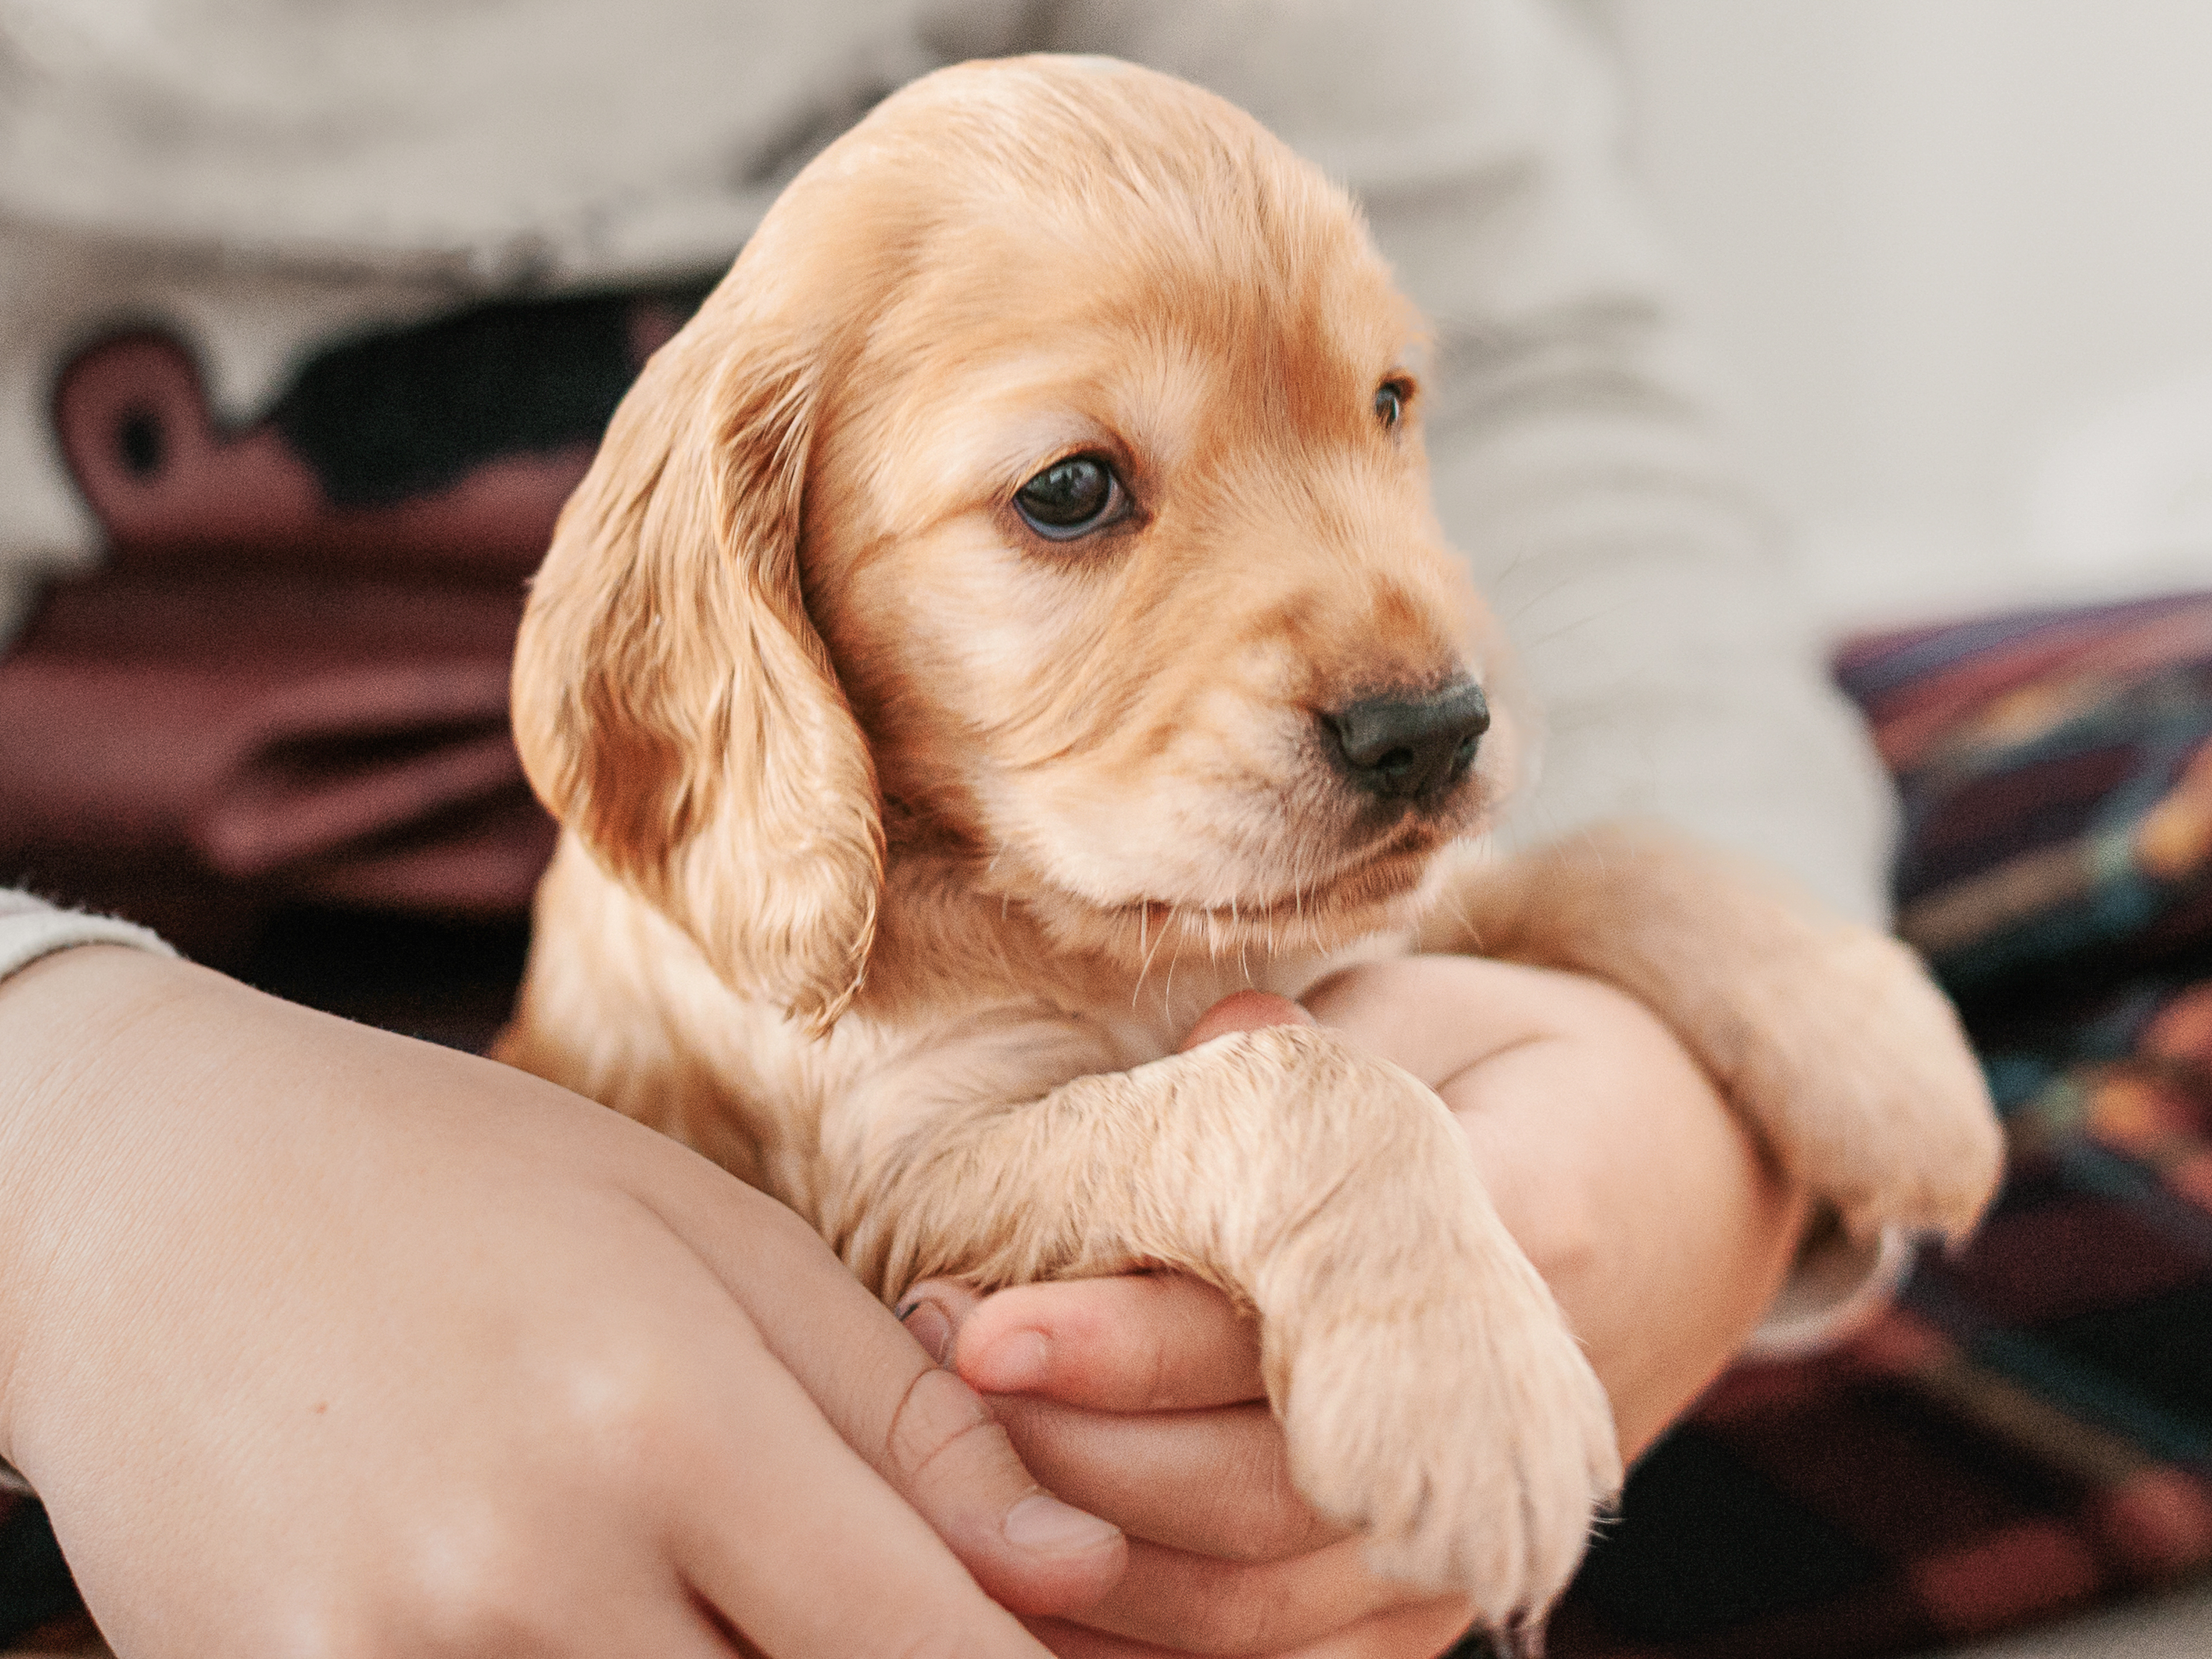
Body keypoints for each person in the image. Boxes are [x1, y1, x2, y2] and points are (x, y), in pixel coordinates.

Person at [0, 2, 1897, 1654]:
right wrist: (65, 1154)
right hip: (190, 1129)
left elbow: (1552, 376)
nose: (1402, 668)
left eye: (1381, 403)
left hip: (1176, 915)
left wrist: (1681, 1114)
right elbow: (909, 1155)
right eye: (1074, 493)